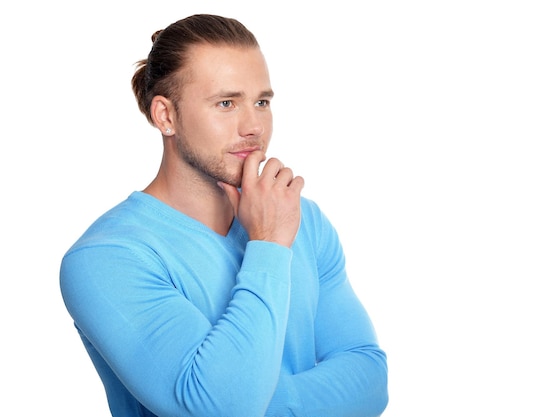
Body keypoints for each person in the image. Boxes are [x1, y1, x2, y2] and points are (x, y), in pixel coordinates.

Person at [60, 13, 388, 417]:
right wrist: (267, 244)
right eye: (226, 103)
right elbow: (218, 409)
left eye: (262, 102)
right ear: (166, 116)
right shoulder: (106, 258)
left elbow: (370, 378)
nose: (254, 127)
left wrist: (265, 405)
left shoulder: (302, 219)